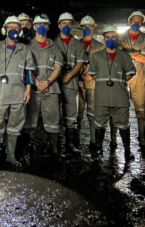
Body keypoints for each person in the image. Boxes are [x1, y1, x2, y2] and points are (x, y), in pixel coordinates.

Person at [0, 16, 34, 170]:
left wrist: (28, 90)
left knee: (15, 125)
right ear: (5, 30)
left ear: (20, 31)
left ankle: (10, 156)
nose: (13, 30)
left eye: (16, 28)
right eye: (10, 27)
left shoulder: (24, 49)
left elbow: (29, 73)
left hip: (19, 93)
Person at [89, 26, 136, 160]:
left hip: (119, 96)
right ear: (104, 39)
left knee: (123, 123)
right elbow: (93, 75)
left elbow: (130, 73)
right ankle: (98, 148)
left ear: (117, 39)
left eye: (113, 37)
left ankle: (127, 150)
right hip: (102, 96)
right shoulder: (97, 56)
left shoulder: (124, 56)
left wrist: (119, 82)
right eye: (107, 37)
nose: (110, 40)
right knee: (100, 123)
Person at [23, 14, 64, 161]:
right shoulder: (28, 46)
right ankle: (25, 149)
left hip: (51, 88)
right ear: (34, 27)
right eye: (38, 24)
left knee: (53, 121)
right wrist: (37, 83)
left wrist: (46, 82)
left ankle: (53, 149)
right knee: (29, 120)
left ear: (48, 26)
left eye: (44, 24)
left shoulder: (55, 47)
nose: (41, 27)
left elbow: (58, 68)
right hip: (33, 89)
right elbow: (26, 67)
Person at [117, 11, 145, 148]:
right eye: (134, 21)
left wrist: (126, 52)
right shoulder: (120, 37)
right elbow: (117, 54)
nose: (136, 23)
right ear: (129, 21)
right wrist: (136, 53)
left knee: (141, 107)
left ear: (142, 23)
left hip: (140, 75)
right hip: (122, 75)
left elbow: (144, 58)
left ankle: (142, 138)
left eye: (139, 21)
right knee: (120, 106)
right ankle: (120, 141)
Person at [54, 12, 87, 156]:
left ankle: (70, 144)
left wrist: (68, 75)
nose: (66, 26)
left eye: (69, 23)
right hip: (55, 83)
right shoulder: (53, 43)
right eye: (64, 23)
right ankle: (54, 145)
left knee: (71, 114)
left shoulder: (78, 43)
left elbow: (80, 62)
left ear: (72, 25)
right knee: (54, 114)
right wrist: (60, 75)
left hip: (71, 82)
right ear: (59, 25)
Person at [77, 15, 105, 149]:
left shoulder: (99, 47)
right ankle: (75, 140)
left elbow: (104, 66)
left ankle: (93, 141)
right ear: (81, 28)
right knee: (77, 111)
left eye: (89, 26)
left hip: (93, 83)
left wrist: (92, 75)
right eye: (84, 27)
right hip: (78, 82)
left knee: (93, 112)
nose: (87, 28)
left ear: (93, 28)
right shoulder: (76, 44)